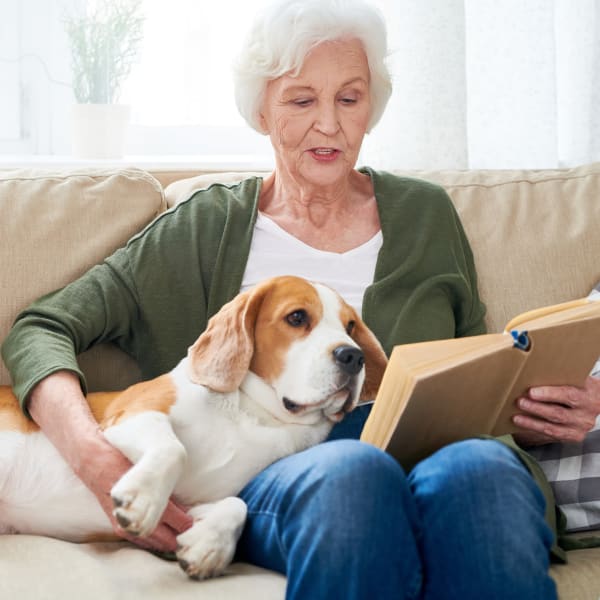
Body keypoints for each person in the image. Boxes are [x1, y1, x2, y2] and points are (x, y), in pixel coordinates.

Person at [3, 0, 600, 598]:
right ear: (261, 111)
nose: (329, 124)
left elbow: (481, 364)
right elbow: (41, 327)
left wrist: (542, 411)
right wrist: (92, 454)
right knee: (354, 474)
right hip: (280, 477)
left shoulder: (427, 215)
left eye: (349, 98)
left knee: (485, 476)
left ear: (372, 106)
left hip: (445, 455)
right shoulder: (201, 229)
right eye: (300, 99)